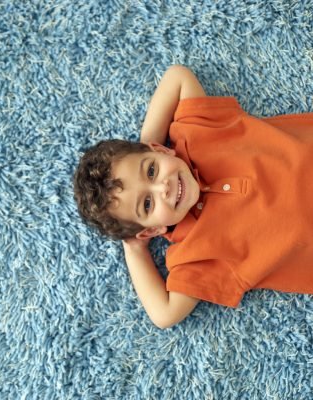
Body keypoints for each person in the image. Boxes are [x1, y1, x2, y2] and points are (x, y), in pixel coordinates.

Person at [73, 65, 313, 329]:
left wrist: (151, 147)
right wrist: (134, 249)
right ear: (152, 229)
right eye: (147, 204)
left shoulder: (195, 133)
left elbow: (177, 76)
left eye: (151, 170)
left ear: (159, 150)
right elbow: (163, 315)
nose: (162, 187)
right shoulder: (194, 256)